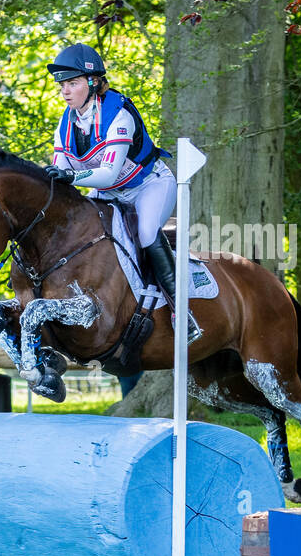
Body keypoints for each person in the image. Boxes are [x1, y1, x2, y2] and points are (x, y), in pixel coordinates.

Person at [42, 43, 201, 342]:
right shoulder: (65, 123)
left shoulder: (119, 114)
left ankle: (182, 309)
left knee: (146, 232)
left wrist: (70, 176)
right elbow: (61, 173)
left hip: (148, 186)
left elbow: (109, 173)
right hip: (110, 193)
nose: (65, 92)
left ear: (92, 83)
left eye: (72, 84)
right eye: (62, 85)